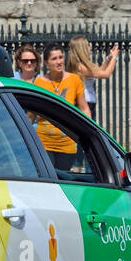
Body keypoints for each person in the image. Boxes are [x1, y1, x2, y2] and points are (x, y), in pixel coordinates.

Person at [30, 43, 90, 171]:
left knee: (62, 182)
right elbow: (31, 113)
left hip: (67, 144)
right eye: (54, 59)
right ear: (46, 63)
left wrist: (87, 132)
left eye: (61, 57)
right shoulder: (40, 82)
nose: (59, 62)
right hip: (43, 143)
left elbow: (84, 108)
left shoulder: (74, 80)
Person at [67, 36, 119, 118]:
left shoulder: (81, 65)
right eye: (87, 45)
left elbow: (99, 71)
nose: (90, 47)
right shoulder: (80, 67)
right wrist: (115, 58)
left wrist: (109, 58)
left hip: (89, 102)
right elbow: (106, 74)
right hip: (85, 104)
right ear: (82, 48)